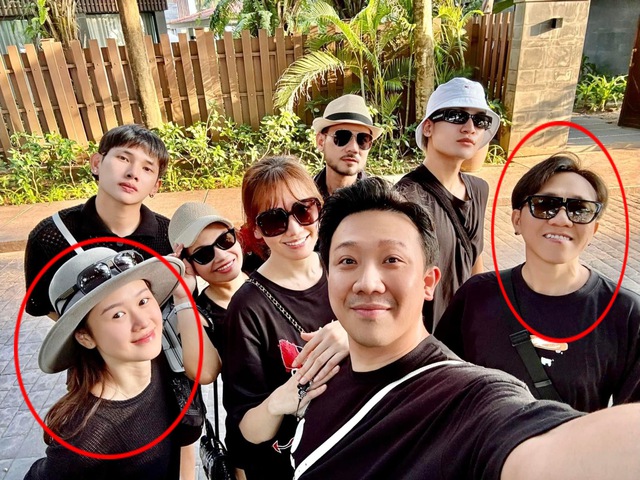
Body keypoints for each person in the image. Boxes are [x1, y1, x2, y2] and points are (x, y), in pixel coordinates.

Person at [290, 177, 640, 479]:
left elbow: (545, 450)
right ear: (328, 277)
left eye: (392, 260)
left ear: (429, 282)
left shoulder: (470, 402)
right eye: (348, 261)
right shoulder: (325, 371)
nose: (368, 283)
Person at [435, 153, 640, 412]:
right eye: (545, 205)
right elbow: (440, 382)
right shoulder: (477, 296)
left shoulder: (625, 313)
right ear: (517, 220)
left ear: (594, 229)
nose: (562, 220)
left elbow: (631, 422)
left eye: (580, 209)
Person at [223, 156, 349, 479]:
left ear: (319, 208)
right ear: (256, 230)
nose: (294, 229)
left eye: (303, 210)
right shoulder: (247, 308)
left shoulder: (348, 268)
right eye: (273, 220)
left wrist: (351, 334)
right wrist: (280, 400)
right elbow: (243, 434)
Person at [25, 247, 188, 479]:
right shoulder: (87, 436)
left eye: (143, 301)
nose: (142, 322)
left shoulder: (161, 363)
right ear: (86, 337)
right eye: (117, 314)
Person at [24, 124, 172, 320]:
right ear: (96, 163)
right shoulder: (51, 236)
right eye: (123, 158)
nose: (133, 173)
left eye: (147, 168)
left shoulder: (169, 235)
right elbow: (42, 304)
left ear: (156, 186)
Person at [395, 77, 499, 330]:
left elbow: (473, 259)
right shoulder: (405, 198)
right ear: (428, 128)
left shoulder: (479, 189)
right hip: (425, 335)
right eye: (456, 116)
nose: (469, 128)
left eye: (480, 120)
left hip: (467, 331)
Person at [169, 202, 247, 480]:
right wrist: (183, 297)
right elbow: (204, 372)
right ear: (189, 264)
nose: (221, 256)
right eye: (204, 254)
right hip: (250, 437)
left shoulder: (269, 276)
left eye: (225, 240)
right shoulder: (202, 314)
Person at [312, 94, 383, 200]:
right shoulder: (302, 198)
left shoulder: (378, 202)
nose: (353, 148)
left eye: (363, 140)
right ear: (321, 142)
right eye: (342, 137)